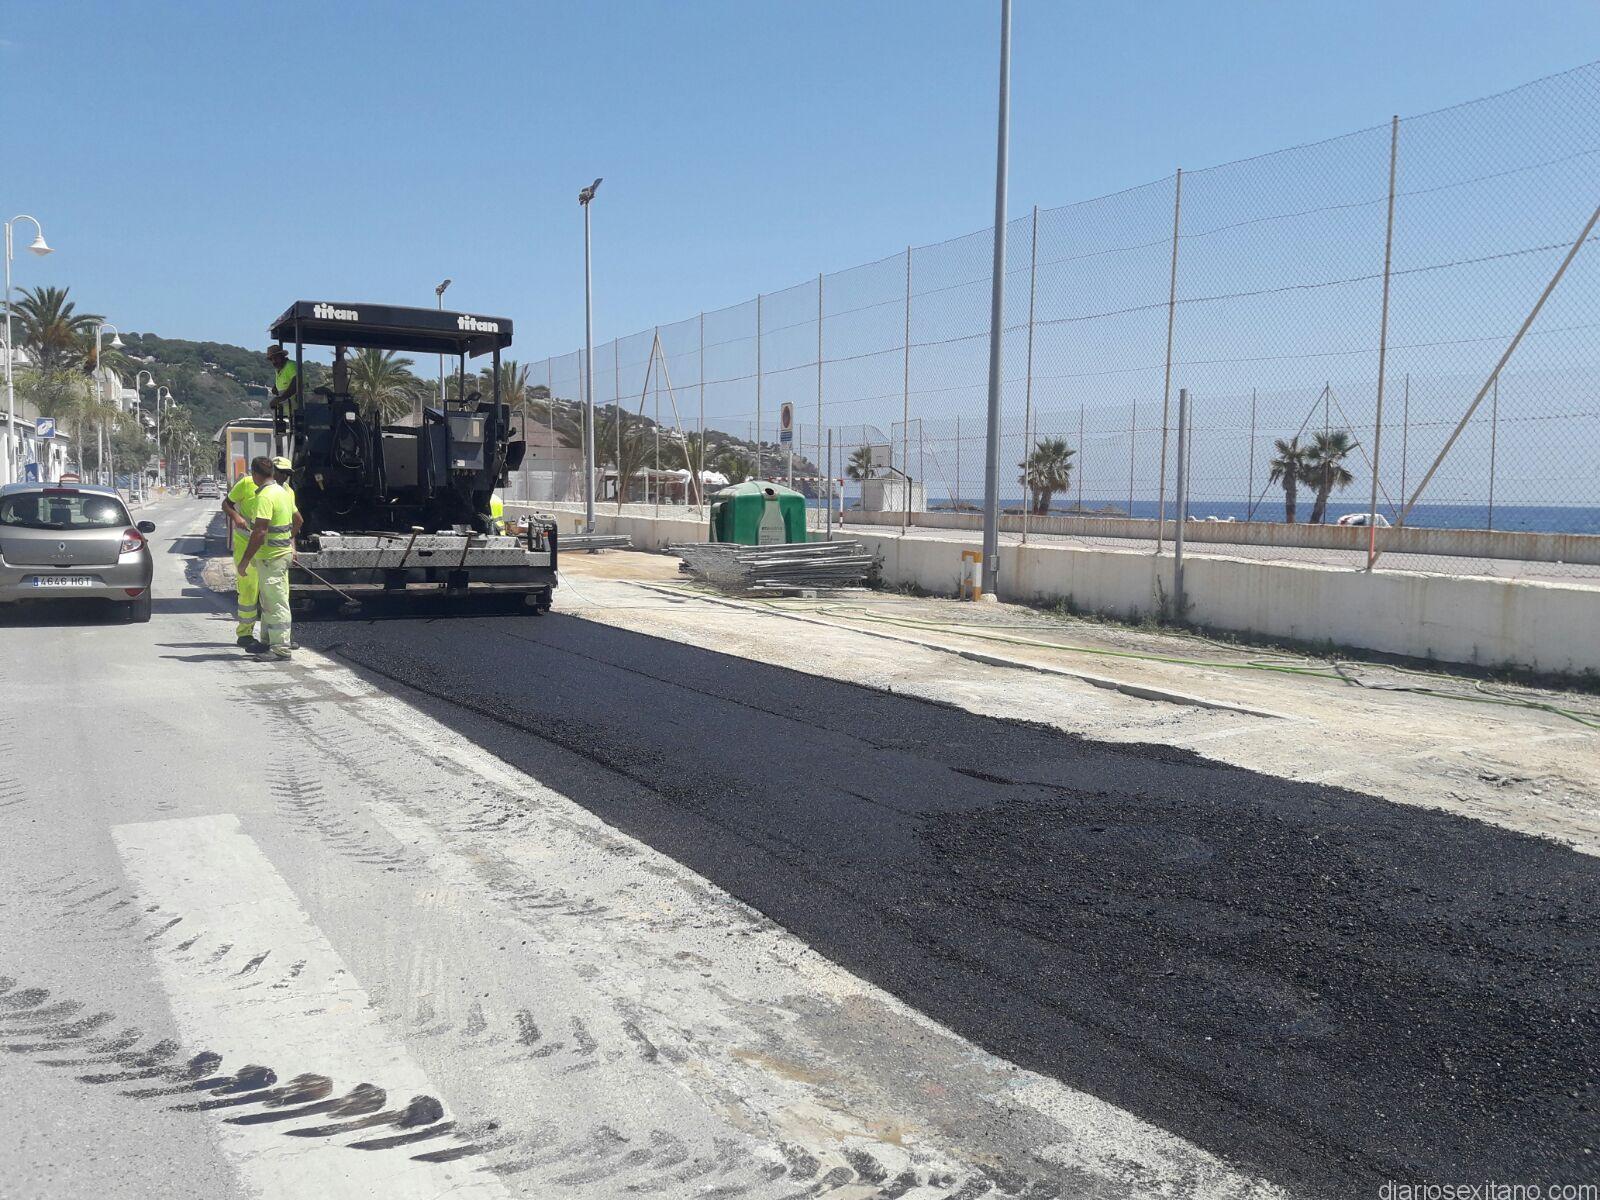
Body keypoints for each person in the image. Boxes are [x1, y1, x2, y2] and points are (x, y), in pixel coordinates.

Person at [236, 457, 296, 662]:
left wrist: (245, 560)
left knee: (276, 603)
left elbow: (260, 531)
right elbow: (297, 520)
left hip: (273, 558)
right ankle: (267, 641)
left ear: (255, 474)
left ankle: (280, 648)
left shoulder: (265, 496)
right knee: (268, 602)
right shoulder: (283, 492)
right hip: (277, 556)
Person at [222, 463, 263, 650]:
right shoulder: (246, 483)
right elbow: (226, 504)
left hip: (268, 549)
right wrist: (236, 517)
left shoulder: (282, 490)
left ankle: (273, 637)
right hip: (246, 544)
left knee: (271, 594)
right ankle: (245, 634)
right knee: (248, 589)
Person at [266, 344, 300, 411]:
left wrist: (282, 398)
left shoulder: (291, 365)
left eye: (276, 358)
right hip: (288, 412)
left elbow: (297, 382)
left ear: (282, 356)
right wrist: (275, 388)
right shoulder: (278, 370)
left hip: (298, 409)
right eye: (271, 359)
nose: (274, 361)